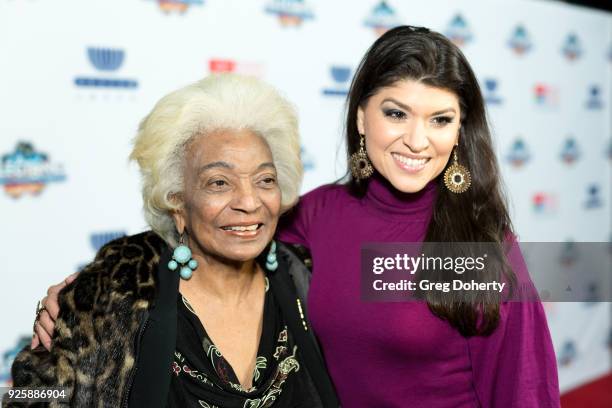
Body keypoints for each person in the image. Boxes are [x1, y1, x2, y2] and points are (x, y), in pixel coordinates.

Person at [32, 26, 560, 407]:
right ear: (361, 116)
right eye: (396, 113)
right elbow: (222, 224)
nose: (417, 140)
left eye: (440, 119)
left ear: (459, 130)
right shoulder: (317, 215)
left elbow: (524, 391)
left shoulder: (476, 247)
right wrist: (96, 286)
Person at [10, 74, 338, 407]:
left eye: (265, 180)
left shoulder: (307, 278)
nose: (249, 201)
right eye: (219, 183)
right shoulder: (115, 290)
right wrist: (72, 312)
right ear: (177, 201)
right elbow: (30, 397)